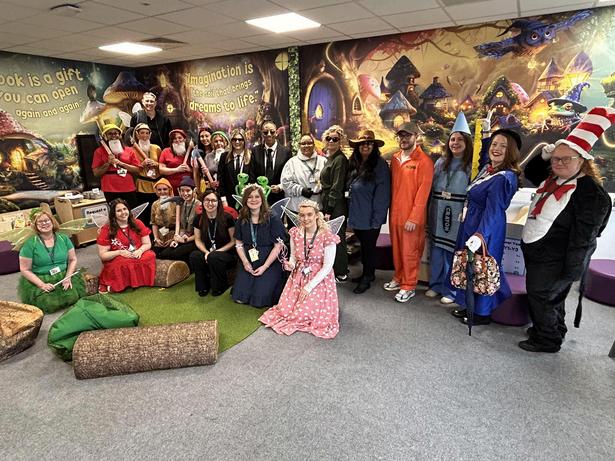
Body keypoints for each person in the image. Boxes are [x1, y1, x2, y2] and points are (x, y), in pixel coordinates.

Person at [519, 107, 613, 353]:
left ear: (581, 160)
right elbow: (530, 173)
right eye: (556, 158)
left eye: (566, 159)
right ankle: (552, 329)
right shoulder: (554, 178)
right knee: (549, 298)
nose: (558, 163)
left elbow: (586, 236)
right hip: (538, 251)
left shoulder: (591, 193)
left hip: (557, 257)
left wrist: (572, 269)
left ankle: (547, 340)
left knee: (543, 296)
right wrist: (545, 155)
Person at [450, 128, 522, 325]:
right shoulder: (489, 169)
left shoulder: (504, 177)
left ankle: (482, 313)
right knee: (469, 265)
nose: (496, 149)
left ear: (511, 151)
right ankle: (469, 305)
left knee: (482, 268)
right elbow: (484, 154)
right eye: (494, 144)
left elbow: (494, 211)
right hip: (471, 223)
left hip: (485, 227)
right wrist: (486, 134)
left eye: (503, 146)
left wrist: (481, 234)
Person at [259, 200, 340, 338]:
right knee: (285, 311)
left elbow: (327, 267)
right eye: (302, 215)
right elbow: (293, 257)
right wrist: (291, 264)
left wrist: (309, 287)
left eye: (309, 214)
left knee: (306, 313)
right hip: (298, 276)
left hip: (319, 278)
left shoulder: (327, 236)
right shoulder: (295, 233)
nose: (305, 218)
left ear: (316, 215)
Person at [426, 113, 473, 305]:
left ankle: (451, 290)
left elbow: (474, 191)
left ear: (467, 142)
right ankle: (435, 285)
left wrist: (467, 209)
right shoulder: (440, 162)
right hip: (438, 208)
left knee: (453, 252)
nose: (455, 143)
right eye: (453, 139)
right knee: (437, 249)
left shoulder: (471, 165)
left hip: (457, 211)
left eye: (460, 139)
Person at [385, 122, 434, 302]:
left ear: (416, 136)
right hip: (395, 214)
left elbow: (423, 193)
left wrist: (414, 217)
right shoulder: (395, 159)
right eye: (401, 136)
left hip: (412, 217)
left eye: (407, 135)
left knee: (410, 252)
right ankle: (399, 277)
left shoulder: (424, 161)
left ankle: (409, 285)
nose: (404, 139)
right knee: (397, 249)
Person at [346, 130, 391, 294]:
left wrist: (377, 220)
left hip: (371, 217)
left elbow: (383, 196)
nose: (365, 146)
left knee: (369, 248)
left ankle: (367, 278)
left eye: (369, 143)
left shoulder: (380, 165)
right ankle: (368, 274)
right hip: (357, 215)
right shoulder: (355, 163)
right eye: (362, 143)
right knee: (364, 248)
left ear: (374, 146)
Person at [18, 210, 86, 314]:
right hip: (42, 278)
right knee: (48, 303)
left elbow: (73, 259)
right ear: (35, 225)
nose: (44, 223)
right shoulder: (30, 244)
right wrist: (41, 285)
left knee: (72, 297)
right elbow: (25, 269)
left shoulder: (63, 238)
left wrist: (68, 278)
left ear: (52, 221)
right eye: (40, 222)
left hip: (64, 275)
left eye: (47, 220)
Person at [232, 184, 286, 307]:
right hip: (249, 259)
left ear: (262, 199)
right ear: (245, 200)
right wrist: (245, 262)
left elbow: (278, 246)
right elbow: (238, 244)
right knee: (240, 298)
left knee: (260, 298)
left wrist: (265, 266)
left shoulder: (273, 218)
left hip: (270, 260)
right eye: (250, 197)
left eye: (257, 196)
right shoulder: (242, 218)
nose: (254, 200)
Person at [97, 199, 156, 293]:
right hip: (118, 256)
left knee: (149, 256)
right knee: (121, 263)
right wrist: (120, 252)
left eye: (125, 209)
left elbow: (147, 244)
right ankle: (116, 284)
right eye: (119, 211)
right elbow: (103, 255)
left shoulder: (137, 223)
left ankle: (134, 282)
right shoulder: (107, 229)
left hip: (138, 253)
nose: (123, 212)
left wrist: (140, 251)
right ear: (113, 214)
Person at [189, 189, 237, 297]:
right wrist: (206, 252)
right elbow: (197, 239)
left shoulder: (227, 218)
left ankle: (221, 286)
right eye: (207, 200)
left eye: (213, 200)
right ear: (203, 202)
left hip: (227, 253)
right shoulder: (199, 219)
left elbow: (233, 241)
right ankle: (203, 286)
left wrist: (216, 252)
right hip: (208, 252)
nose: (210, 203)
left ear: (218, 202)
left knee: (214, 257)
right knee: (195, 255)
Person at [319, 125, 349, 283]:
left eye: (335, 139)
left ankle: (341, 272)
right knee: (331, 237)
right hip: (328, 201)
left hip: (335, 204)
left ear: (340, 141)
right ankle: (335, 269)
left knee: (337, 237)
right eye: (328, 138)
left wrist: (329, 209)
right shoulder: (331, 158)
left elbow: (337, 187)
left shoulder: (340, 160)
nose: (331, 141)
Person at [91, 124, 141, 208]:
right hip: (110, 188)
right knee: (114, 212)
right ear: (105, 136)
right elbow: (96, 173)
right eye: (110, 134)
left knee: (131, 210)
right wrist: (108, 163)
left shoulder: (129, 150)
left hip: (128, 187)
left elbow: (137, 170)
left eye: (116, 133)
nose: (113, 136)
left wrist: (122, 164)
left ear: (120, 135)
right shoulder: (99, 151)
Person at [155, 176, 200, 266]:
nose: (185, 193)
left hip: (195, 239)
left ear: (194, 190)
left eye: (188, 190)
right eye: (182, 191)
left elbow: (201, 232)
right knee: (163, 254)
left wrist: (185, 240)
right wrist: (176, 239)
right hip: (183, 237)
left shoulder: (199, 205)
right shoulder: (181, 204)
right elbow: (180, 225)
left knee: (174, 254)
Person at [280, 133, 327, 221]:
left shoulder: (323, 161)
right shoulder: (292, 163)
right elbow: (285, 183)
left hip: (317, 207)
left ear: (314, 145)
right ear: (299, 146)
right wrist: (301, 190)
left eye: (309, 143)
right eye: (303, 143)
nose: (306, 146)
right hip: (297, 208)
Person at [251, 120, 291, 204]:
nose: (269, 134)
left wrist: (280, 187)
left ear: (276, 133)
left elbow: (289, 175)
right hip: (260, 197)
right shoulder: (255, 151)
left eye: (272, 132)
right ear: (262, 133)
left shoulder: (286, 152)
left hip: (279, 197)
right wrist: (258, 189)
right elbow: (252, 173)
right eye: (265, 132)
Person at [131, 123, 162, 223]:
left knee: (157, 211)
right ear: (137, 134)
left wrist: (156, 164)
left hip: (157, 185)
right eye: (142, 133)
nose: (144, 136)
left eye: (147, 133)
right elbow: (131, 169)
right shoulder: (132, 150)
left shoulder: (156, 148)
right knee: (145, 212)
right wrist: (142, 165)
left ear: (150, 134)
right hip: (142, 186)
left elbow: (163, 165)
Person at [218, 128, 252, 207]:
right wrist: (223, 199)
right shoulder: (224, 156)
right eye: (234, 139)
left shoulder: (251, 157)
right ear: (231, 141)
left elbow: (252, 179)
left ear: (244, 141)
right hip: (228, 200)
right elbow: (221, 179)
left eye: (240, 139)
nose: (237, 142)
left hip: (246, 200)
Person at [158, 128, 193, 193]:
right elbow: (161, 170)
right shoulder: (165, 151)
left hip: (188, 189)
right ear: (171, 141)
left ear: (184, 139)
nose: (177, 140)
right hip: (171, 188)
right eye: (174, 138)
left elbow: (198, 171)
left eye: (180, 138)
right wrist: (177, 169)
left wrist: (190, 169)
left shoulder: (191, 152)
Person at [150, 178, 178, 253]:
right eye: (159, 190)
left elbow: (180, 223)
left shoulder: (175, 203)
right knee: (155, 253)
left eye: (165, 189)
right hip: (160, 236)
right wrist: (156, 238)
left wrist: (174, 239)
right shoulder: (154, 204)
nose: (162, 192)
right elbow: (153, 223)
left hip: (173, 236)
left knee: (167, 253)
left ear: (169, 190)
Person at [193, 127, 214, 192]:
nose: (204, 138)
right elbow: (196, 173)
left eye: (207, 136)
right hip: (204, 184)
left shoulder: (216, 151)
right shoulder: (197, 152)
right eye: (202, 136)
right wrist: (198, 189)